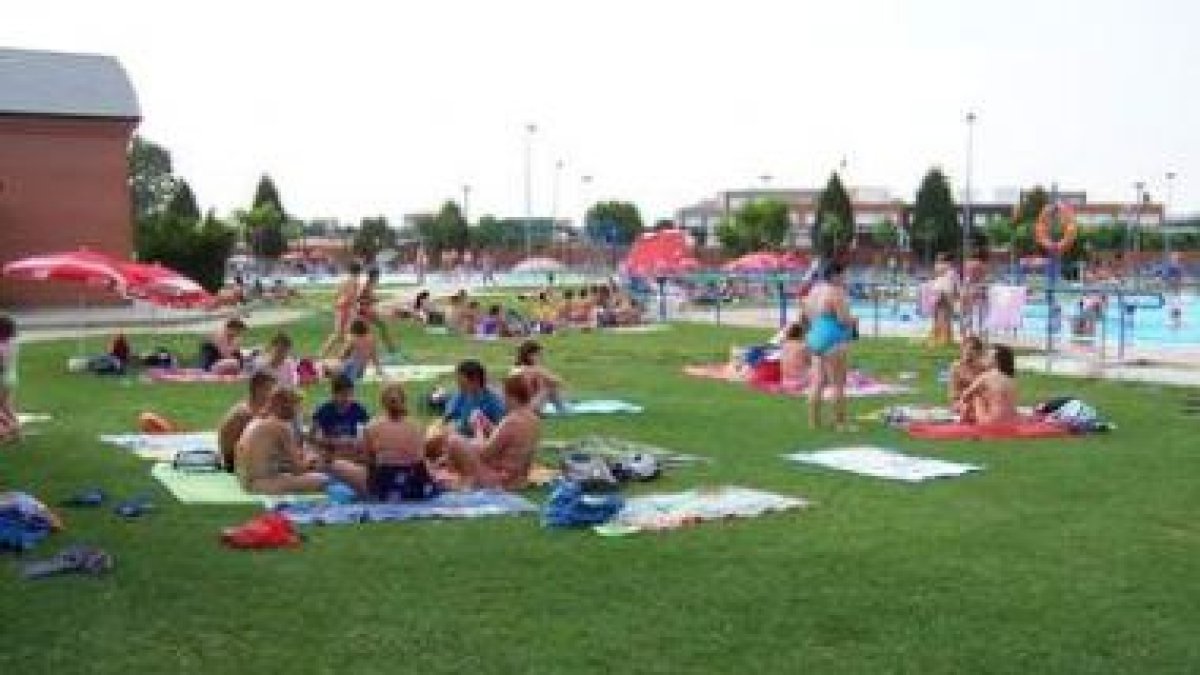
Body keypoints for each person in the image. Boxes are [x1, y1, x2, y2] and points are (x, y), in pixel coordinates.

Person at [236, 386, 366, 495]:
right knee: (325, 478)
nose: (299, 410)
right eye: (297, 405)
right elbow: (298, 469)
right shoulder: (280, 426)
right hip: (262, 484)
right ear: (285, 405)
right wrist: (315, 461)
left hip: (247, 481)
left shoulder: (257, 420)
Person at [435, 374, 541, 490]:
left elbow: (485, 454)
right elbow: (507, 441)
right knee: (459, 442)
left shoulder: (511, 421)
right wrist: (485, 424)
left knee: (453, 441)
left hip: (498, 480)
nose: (502, 397)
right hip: (518, 477)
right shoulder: (533, 419)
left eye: (503, 394)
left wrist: (477, 429)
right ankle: (454, 472)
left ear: (511, 396)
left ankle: (464, 478)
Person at [804, 262, 858, 430]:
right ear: (835, 276)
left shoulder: (814, 290)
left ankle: (814, 422)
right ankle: (840, 423)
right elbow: (843, 319)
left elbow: (807, 314)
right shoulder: (836, 292)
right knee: (838, 384)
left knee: (817, 382)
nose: (846, 278)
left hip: (815, 337)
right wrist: (854, 321)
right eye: (844, 275)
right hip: (833, 339)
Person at [363, 383, 435, 500]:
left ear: (383, 403)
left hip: (385, 484)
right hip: (413, 484)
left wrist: (371, 485)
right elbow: (420, 460)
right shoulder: (416, 426)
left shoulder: (371, 427)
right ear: (404, 401)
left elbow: (369, 462)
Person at [218, 370, 278, 472]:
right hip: (237, 462)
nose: (273, 394)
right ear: (258, 389)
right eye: (270, 389)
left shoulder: (255, 410)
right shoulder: (244, 414)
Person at [311, 374, 372, 464]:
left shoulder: (358, 408)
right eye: (343, 395)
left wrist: (358, 442)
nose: (347, 399)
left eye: (350, 395)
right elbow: (312, 437)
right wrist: (331, 441)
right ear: (334, 394)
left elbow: (371, 431)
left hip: (351, 451)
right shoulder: (324, 410)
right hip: (331, 451)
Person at [956, 344, 1020, 426]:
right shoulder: (1011, 380)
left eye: (988, 356)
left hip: (991, 422)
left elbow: (965, 396)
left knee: (976, 395)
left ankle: (964, 419)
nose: (984, 358)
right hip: (1011, 420)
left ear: (995, 361)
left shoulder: (986, 376)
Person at [443, 360, 506, 436]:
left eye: (462, 382)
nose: (458, 384)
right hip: (457, 435)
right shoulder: (461, 394)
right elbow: (448, 418)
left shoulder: (494, 402)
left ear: (475, 380)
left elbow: (500, 430)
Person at [318, 262, 363, 359]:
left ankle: (327, 353)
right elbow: (351, 296)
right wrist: (355, 307)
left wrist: (338, 303)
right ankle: (335, 354)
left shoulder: (344, 280)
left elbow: (337, 293)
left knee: (341, 333)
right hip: (346, 307)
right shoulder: (354, 281)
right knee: (344, 333)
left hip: (341, 306)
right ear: (358, 272)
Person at [513, 340, 566, 414]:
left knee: (546, 385)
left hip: (516, 407)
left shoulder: (516, 368)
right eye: (539, 355)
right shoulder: (534, 369)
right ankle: (563, 410)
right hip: (526, 408)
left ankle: (563, 408)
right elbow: (558, 381)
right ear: (530, 356)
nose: (541, 357)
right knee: (550, 388)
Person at [356, 268, 397, 354]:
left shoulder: (370, 284)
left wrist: (375, 299)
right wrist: (371, 301)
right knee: (365, 333)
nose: (378, 278)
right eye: (378, 276)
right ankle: (390, 350)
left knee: (380, 327)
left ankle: (390, 349)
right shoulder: (366, 285)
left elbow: (368, 297)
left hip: (368, 311)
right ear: (374, 276)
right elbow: (358, 299)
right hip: (364, 312)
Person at [948, 336, 987, 423]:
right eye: (965, 348)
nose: (968, 351)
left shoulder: (983, 368)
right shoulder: (956, 367)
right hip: (962, 401)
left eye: (971, 349)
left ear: (979, 352)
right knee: (965, 408)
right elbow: (954, 394)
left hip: (980, 401)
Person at [928, 256, 959, 347]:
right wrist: (956, 296)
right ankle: (944, 339)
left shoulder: (938, 269)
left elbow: (934, 281)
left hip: (935, 293)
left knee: (937, 318)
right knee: (946, 318)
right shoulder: (951, 271)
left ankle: (936, 338)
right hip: (945, 293)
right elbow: (953, 284)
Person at [0, 315, 19, 443]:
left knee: (2, 407)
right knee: (6, 406)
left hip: (2, 377)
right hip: (11, 377)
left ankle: (6, 431)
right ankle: (17, 431)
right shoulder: (13, 343)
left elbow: (1, 365)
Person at [778, 320, 811, 387]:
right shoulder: (803, 346)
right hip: (801, 380)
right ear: (801, 334)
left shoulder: (785, 346)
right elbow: (809, 362)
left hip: (785, 380)